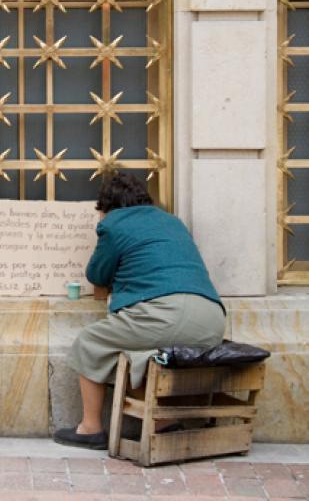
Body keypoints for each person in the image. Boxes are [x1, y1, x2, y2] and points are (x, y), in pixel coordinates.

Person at [53, 171, 226, 450]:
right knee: (138, 352)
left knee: (89, 342)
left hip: (165, 314)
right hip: (211, 320)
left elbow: (96, 274)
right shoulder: (172, 221)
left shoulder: (114, 223)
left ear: (106, 206)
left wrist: (104, 228)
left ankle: (90, 428)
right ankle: (162, 423)